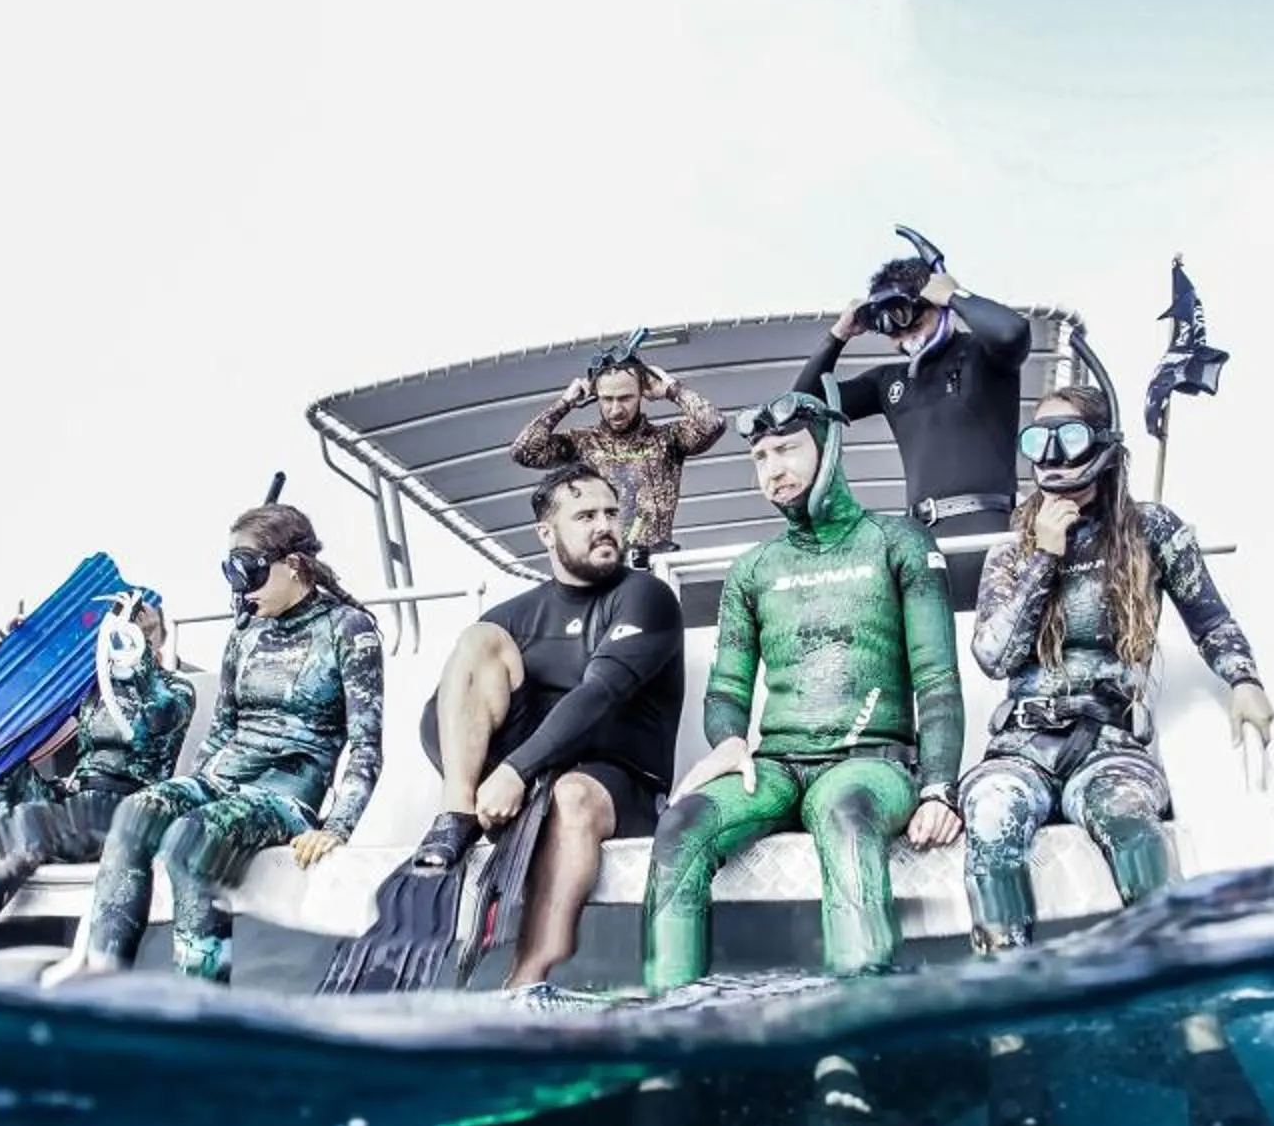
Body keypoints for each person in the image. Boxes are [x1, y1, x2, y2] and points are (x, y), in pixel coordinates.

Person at [640, 385, 963, 992]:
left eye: (786, 450)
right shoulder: (754, 568)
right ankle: (668, 1026)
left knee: (845, 816)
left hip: (872, 764)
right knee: (681, 825)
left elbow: (938, 681)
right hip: (775, 767)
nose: (773, 471)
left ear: (830, 447)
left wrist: (939, 789)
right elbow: (727, 689)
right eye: (760, 458)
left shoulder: (900, 543)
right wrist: (729, 741)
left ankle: (862, 1016)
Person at [960, 384, 1274, 948]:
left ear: (1103, 444)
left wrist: (1244, 679)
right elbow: (994, 656)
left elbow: (1210, 619)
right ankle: (1010, 1009)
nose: (1053, 455)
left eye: (1070, 437)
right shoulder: (1009, 551)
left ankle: (1177, 991)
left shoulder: (1152, 530)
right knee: (988, 817)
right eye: (1039, 440)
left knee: (1131, 821)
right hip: (1019, 748)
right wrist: (1044, 559)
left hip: (1109, 745)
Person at [49, 503, 384, 986]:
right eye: (232, 572)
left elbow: (367, 745)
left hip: (285, 796)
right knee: (137, 812)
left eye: (248, 570)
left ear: (294, 566)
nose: (240, 587)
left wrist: (337, 826)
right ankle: (104, 980)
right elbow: (222, 730)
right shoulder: (244, 634)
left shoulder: (348, 630)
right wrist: (192, 784)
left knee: (191, 839)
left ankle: (199, 999)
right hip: (221, 780)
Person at [411, 461, 684, 989]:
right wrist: (490, 781)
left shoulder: (645, 597)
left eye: (611, 512)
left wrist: (516, 770)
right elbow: (435, 718)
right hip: (532, 780)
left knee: (573, 795)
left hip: (621, 784)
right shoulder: (515, 616)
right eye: (585, 515)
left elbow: (600, 694)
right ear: (547, 532)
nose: (605, 524)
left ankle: (527, 977)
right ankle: (456, 816)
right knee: (477, 642)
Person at [0, 590, 197, 952]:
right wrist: (26, 650)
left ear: (157, 639)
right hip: (75, 798)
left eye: (141, 627)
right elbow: (40, 697)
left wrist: (133, 656)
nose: (128, 633)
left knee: (38, 834)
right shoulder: (94, 686)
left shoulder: (176, 690)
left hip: (125, 808)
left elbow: (150, 721)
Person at [792, 244, 1036, 532]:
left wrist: (955, 295)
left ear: (937, 305)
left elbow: (1012, 332)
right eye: (895, 334)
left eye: (915, 324)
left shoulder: (984, 354)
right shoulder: (888, 381)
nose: (908, 338)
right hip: (922, 539)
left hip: (991, 530)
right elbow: (802, 406)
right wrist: (838, 335)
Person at [510, 352, 726, 558]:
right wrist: (565, 403)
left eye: (625, 398)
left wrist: (671, 389)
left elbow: (713, 423)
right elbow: (523, 451)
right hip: (602, 568)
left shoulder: (667, 440)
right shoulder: (581, 443)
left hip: (654, 567)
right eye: (607, 399)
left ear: (642, 392)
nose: (616, 410)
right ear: (595, 396)